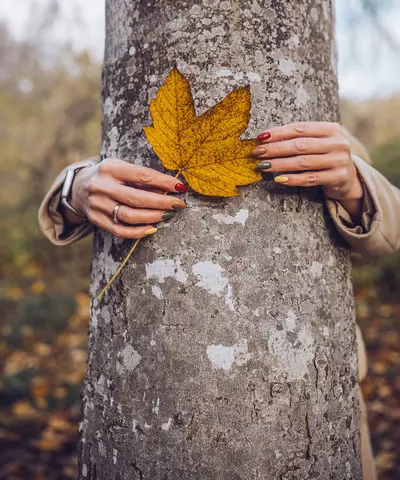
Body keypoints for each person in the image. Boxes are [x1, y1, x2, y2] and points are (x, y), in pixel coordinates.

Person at [38, 121, 400, 480]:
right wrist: (76, 186)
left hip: (317, 403)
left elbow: (390, 232)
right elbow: (92, 178)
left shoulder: (328, 129)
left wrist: (354, 181)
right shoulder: (142, 108)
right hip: (154, 404)